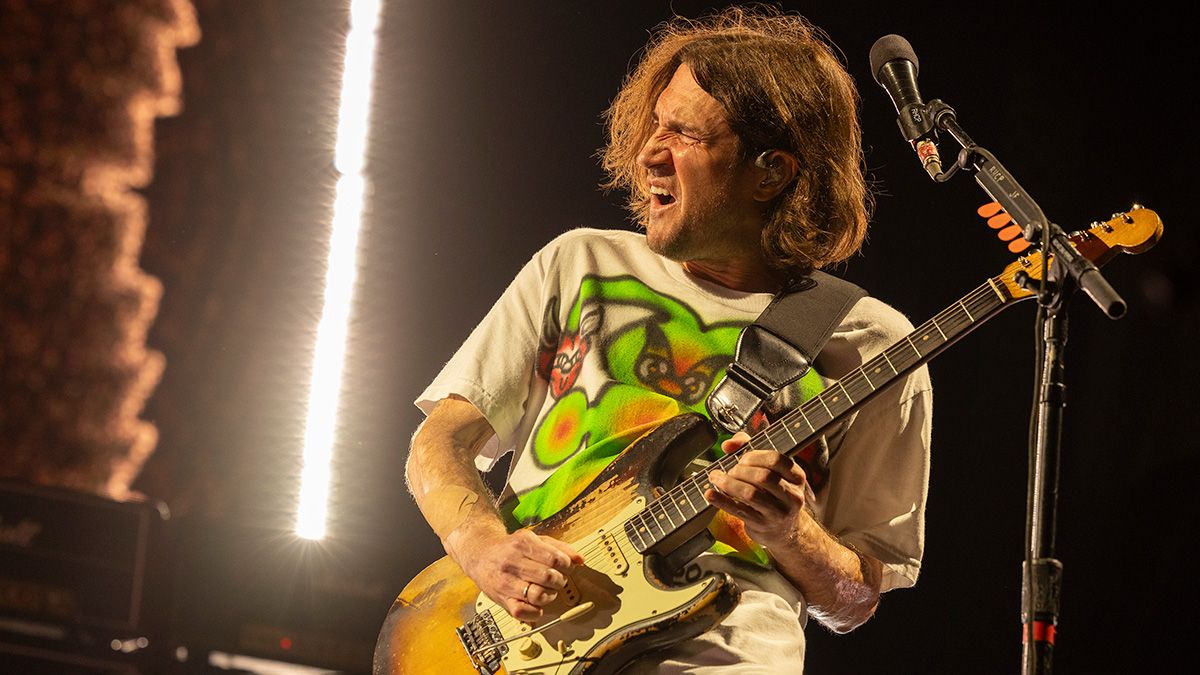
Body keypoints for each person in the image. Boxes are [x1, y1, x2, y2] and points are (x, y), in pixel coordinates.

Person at [405, 6, 932, 672]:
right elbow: (440, 441)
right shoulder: (580, 262)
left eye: (683, 133)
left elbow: (855, 598)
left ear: (770, 172)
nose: (649, 151)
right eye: (656, 123)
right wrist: (480, 543)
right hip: (527, 640)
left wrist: (792, 531)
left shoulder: (877, 342)